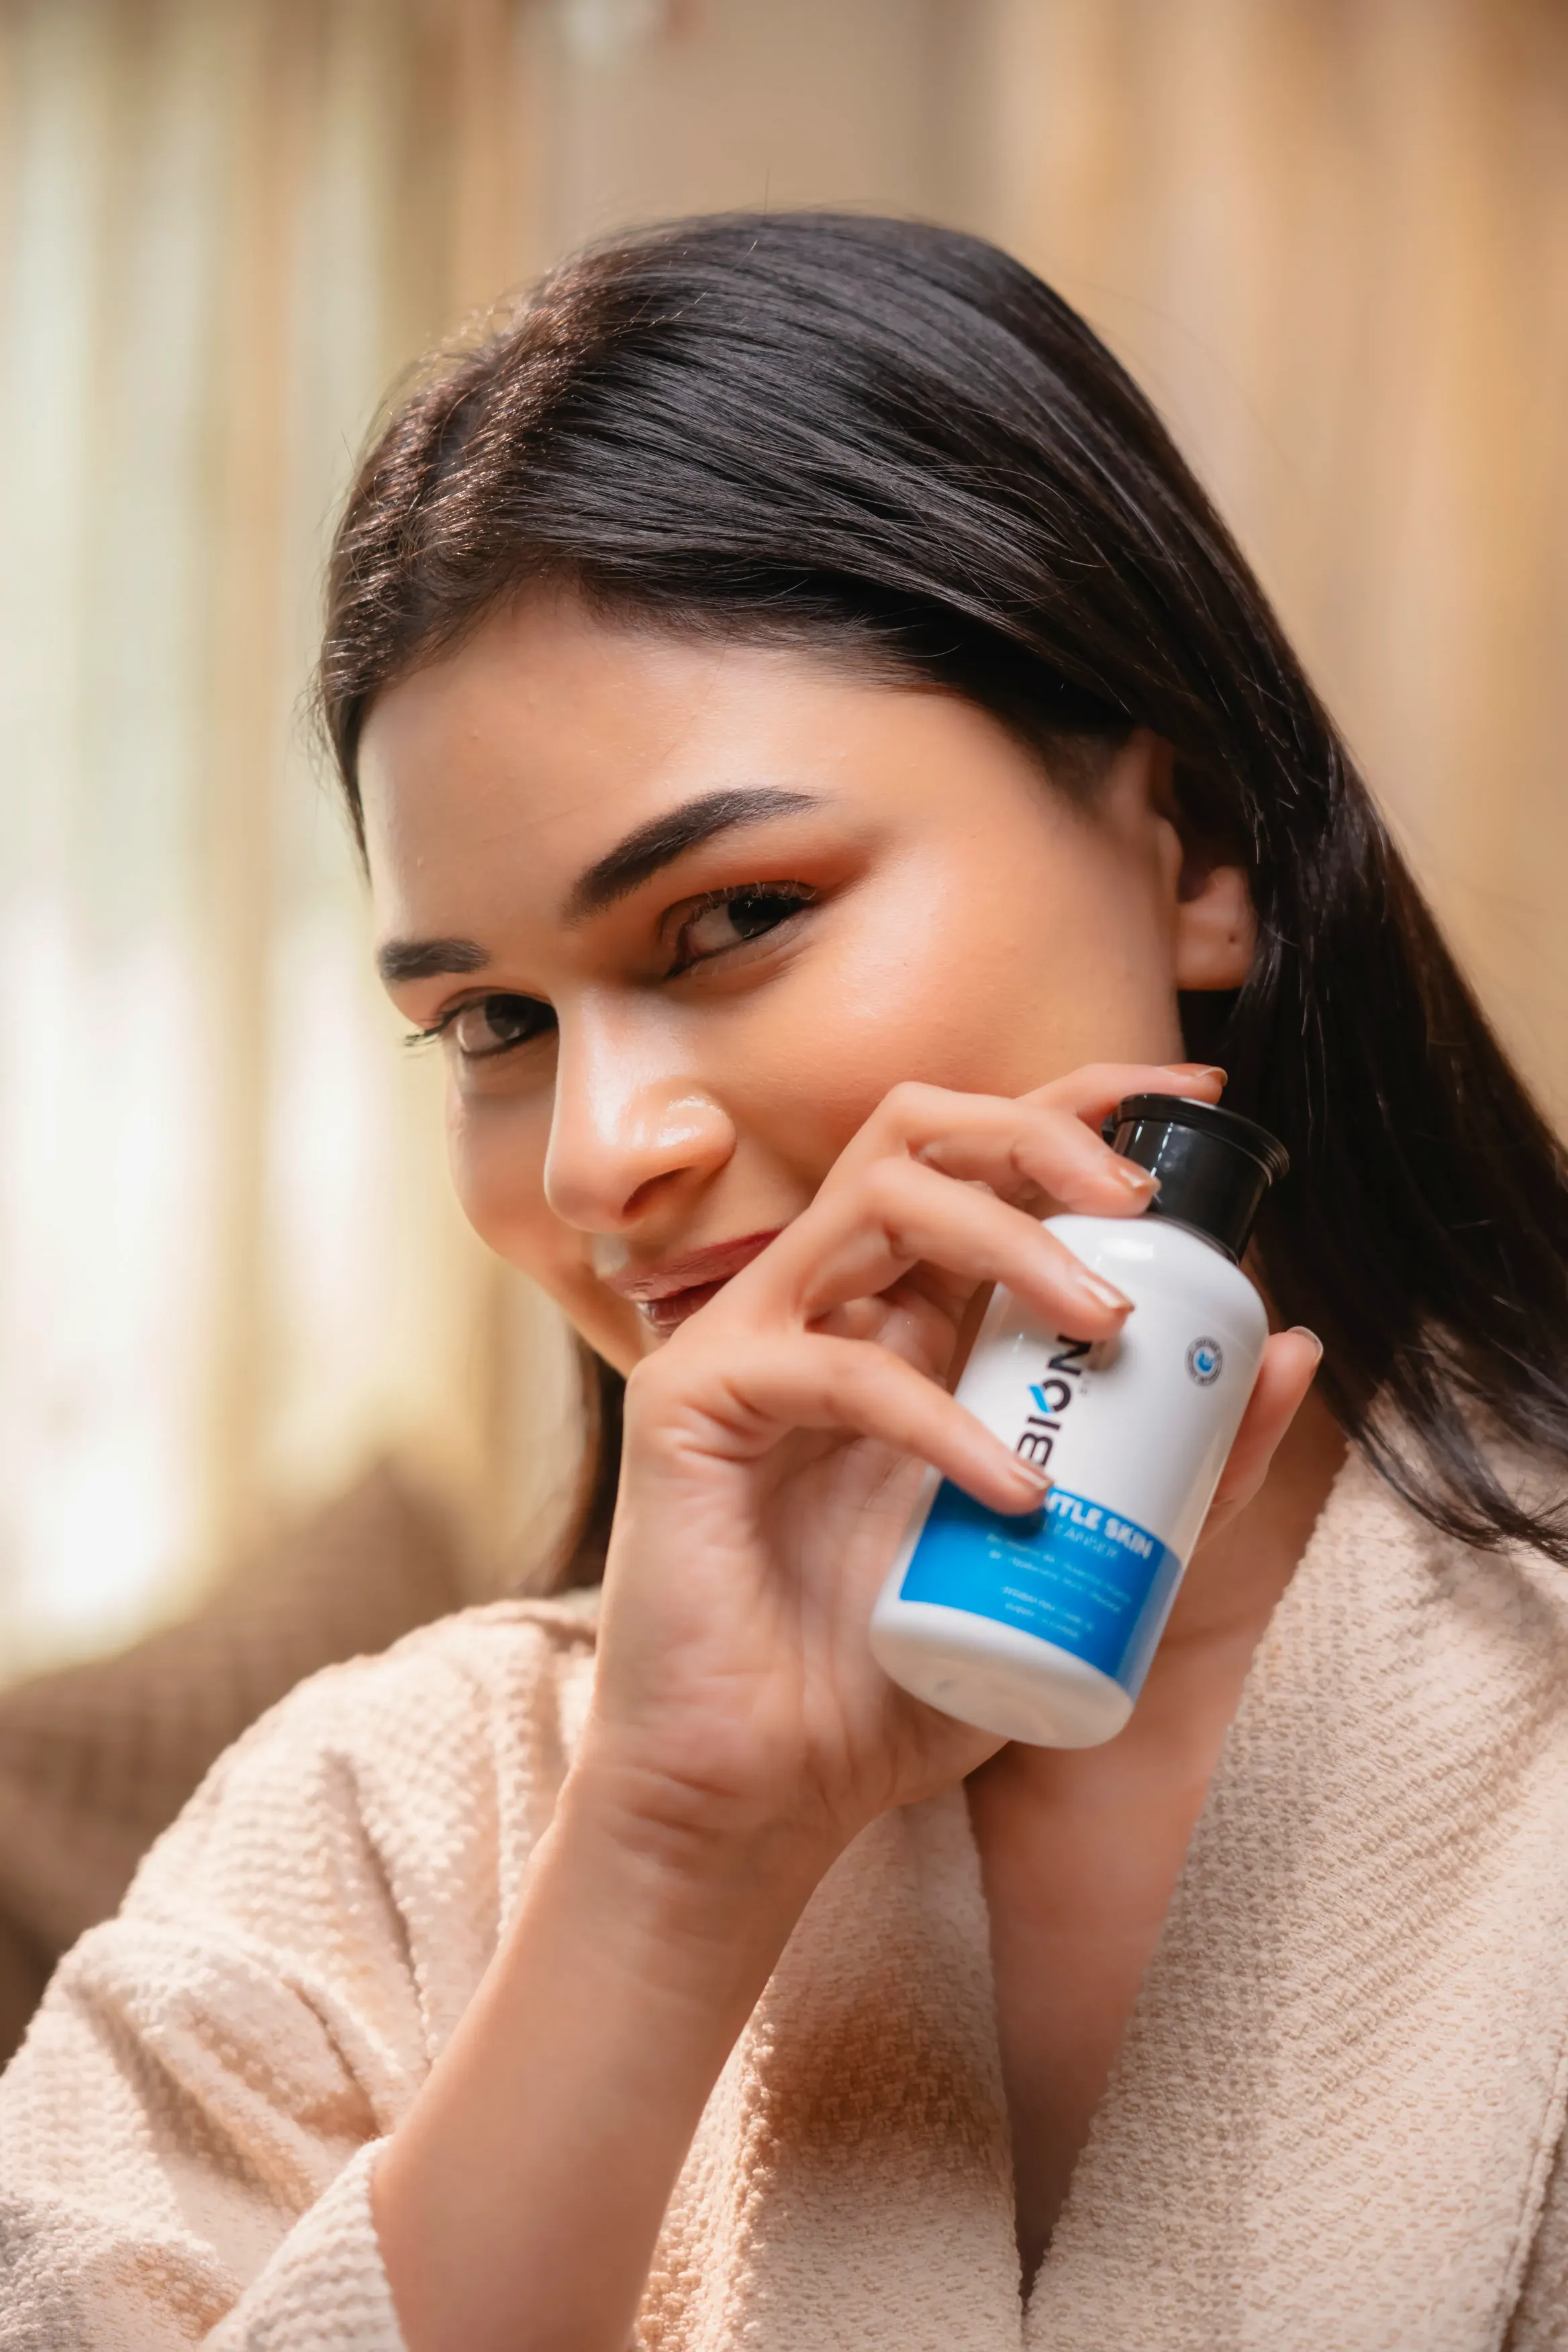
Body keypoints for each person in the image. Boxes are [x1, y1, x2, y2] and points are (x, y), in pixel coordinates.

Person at [3, 212, 1567, 2352]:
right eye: (490, 1026)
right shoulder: (366, 1830)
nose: (594, 1152)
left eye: (732, 916)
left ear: (1192, 848)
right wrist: (664, 1866)